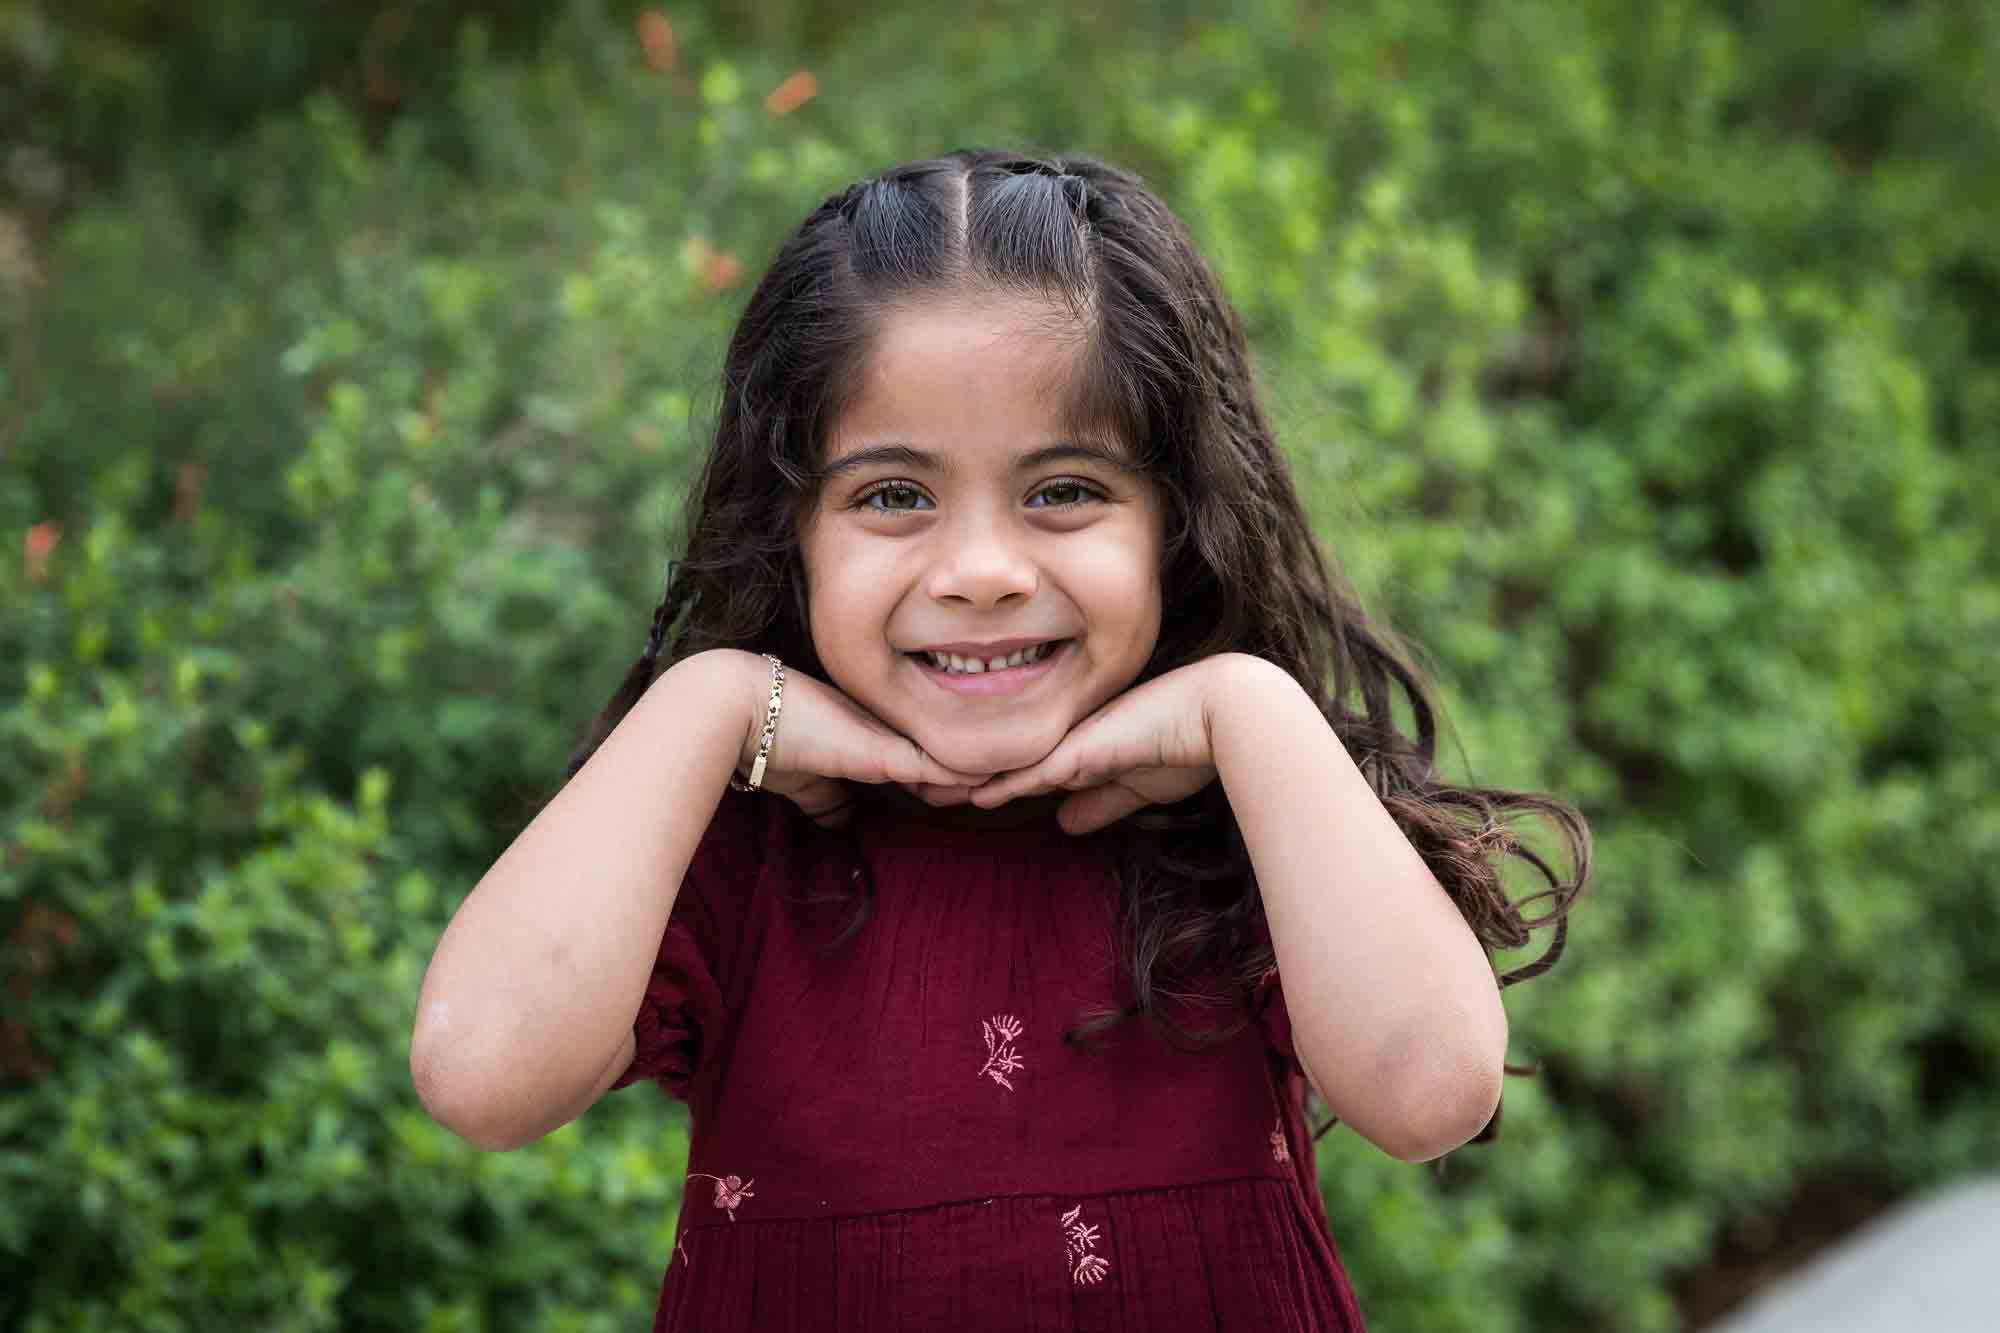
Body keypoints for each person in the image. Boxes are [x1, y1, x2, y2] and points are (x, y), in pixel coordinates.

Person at [411, 148, 1591, 1331]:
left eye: (1063, 489)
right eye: (891, 496)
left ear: (1174, 528)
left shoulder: (1243, 827)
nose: (980, 573)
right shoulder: (746, 850)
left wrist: (1252, 707)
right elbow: (479, 1077)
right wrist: (708, 699)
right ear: (791, 536)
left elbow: (1431, 1092)